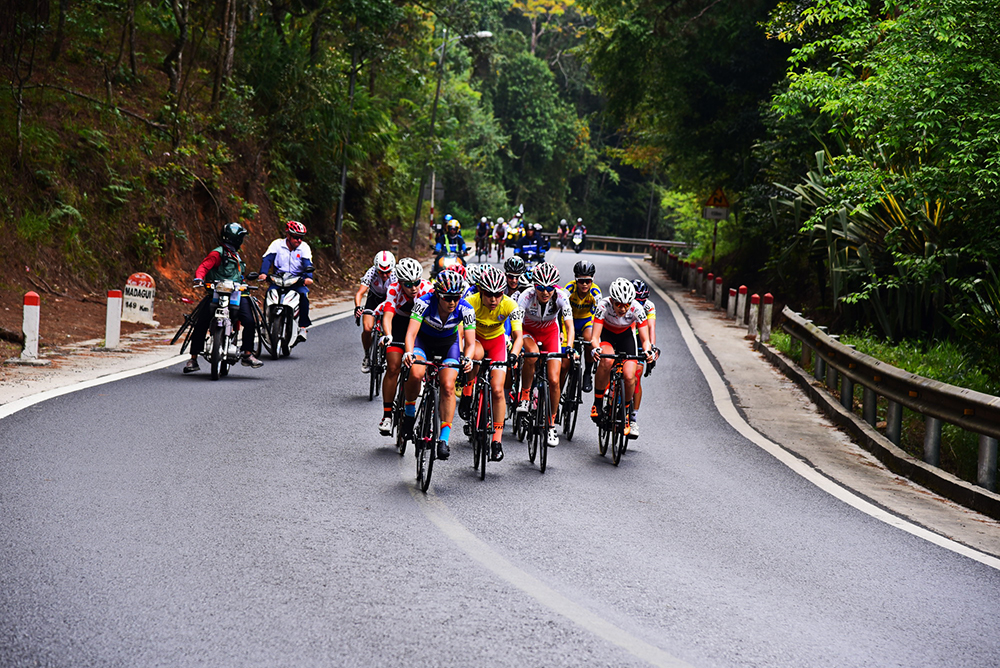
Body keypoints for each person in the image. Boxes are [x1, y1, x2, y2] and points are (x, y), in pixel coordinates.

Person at [401, 270, 476, 460]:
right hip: (422, 342)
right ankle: (409, 413)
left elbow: (471, 341)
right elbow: (410, 334)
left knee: (449, 386)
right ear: (437, 294)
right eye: (448, 298)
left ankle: (443, 439)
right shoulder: (424, 302)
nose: (452, 302)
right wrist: (409, 353)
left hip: (448, 345)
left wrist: (467, 358)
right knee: (416, 373)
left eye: (456, 297)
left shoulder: (465, 309)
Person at [459, 265, 524, 462]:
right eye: (489, 295)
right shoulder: (470, 302)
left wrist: (513, 354)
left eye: (498, 294)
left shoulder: (510, 304)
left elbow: (518, 336)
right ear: (480, 291)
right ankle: (468, 392)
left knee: (497, 390)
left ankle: (496, 441)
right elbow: (460, 332)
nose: (494, 299)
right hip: (476, 339)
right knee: (476, 354)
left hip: (497, 343)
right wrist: (463, 354)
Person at [184, 222, 264, 373]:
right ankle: (193, 359)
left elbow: (239, 277)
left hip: (238, 294)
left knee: (249, 321)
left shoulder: (236, 255)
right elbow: (203, 267)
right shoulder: (217, 253)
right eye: (241, 237)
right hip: (216, 294)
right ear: (236, 238)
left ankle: (248, 354)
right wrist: (199, 278)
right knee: (200, 323)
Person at [517, 262, 575, 447]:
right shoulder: (526, 296)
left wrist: (570, 346)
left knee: (555, 380)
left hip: (550, 333)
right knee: (532, 354)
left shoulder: (562, 297)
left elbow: (569, 326)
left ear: (554, 287)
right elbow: (516, 323)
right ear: (535, 286)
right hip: (528, 332)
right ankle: (525, 396)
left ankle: (551, 424)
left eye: (549, 288)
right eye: (541, 288)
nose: (545, 292)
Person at [589, 278, 654, 437]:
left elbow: (645, 340)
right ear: (612, 300)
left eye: (626, 305)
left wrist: (648, 351)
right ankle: (597, 403)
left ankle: (625, 412)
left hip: (626, 337)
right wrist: (595, 348)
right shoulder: (603, 306)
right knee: (607, 360)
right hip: (607, 334)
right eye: (619, 304)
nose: (623, 308)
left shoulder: (637, 308)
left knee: (629, 376)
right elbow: (595, 336)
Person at [376, 258, 433, 435]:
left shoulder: (427, 288)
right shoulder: (394, 289)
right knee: (393, 367)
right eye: (408, 284)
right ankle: (387, 415)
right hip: (400, 324)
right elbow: (387, 316)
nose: (413, 287)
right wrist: (388, 335)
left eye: (416, 282)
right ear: (400, 282)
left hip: (420, 326)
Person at [258, 220, 314, 342]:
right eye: (296, 237)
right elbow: (267, 259)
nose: (299, 240)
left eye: (301, 238)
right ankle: (265, 323)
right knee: (269, 295)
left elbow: (307, 264)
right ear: (288, 235)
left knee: (304, 296)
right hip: (278, 279)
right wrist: (263, 273)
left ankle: (303, 327)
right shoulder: (277, 244)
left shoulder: (304, 248)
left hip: (296, 281)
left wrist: (308, 277)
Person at [354, 251, 396, 373]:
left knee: (391, 328)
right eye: (381, 272)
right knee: (367, 329)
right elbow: (360, 293)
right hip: (374, 299)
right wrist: (358, 307)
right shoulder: (371, 272)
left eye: (387, 272)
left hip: (390, 299)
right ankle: (367, 355)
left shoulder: (396, 275)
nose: (384, 275)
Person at [564, 260, 601, 393]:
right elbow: (559, 305)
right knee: (565, 356)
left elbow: (599, 312)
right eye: (581, 281)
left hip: (586, 321)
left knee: (590, 340)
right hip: (570, 322)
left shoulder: (596, 292)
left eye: (588, 281)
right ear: (575, 280)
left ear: (593, 280)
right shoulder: (569, 288)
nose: (584, 284)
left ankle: (587, 373)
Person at [629, 279, 660, 438]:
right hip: (626, 335)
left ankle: (633, 417)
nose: (639, 305)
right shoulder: (624, 302)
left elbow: (651, 328)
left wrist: (652, 348)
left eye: (642, 301)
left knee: (636, 376)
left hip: (642, 339)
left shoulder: (649, 306)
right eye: (636, 301)